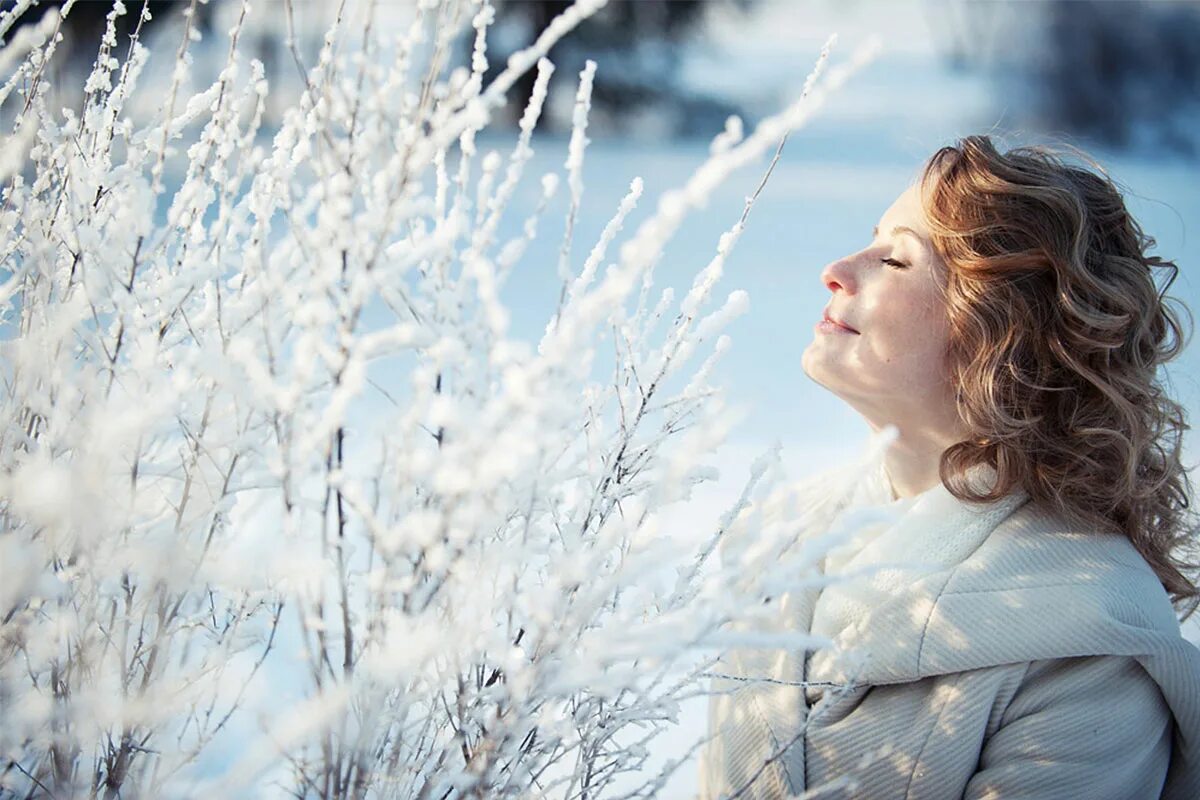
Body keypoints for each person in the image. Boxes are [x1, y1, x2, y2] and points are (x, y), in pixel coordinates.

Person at [700, 135, 1200, 799]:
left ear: (997, 336)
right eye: (869, 239)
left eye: (896, 260)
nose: (838, 268)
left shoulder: (1090, 657)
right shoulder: (777, 540)